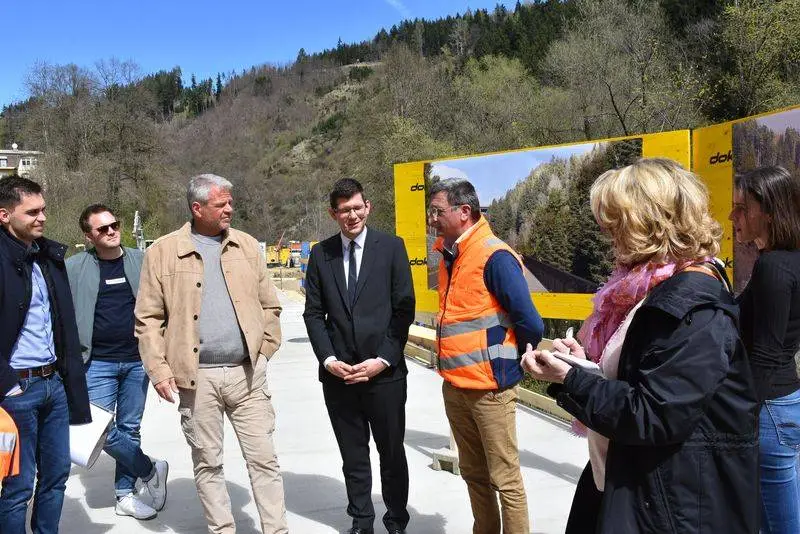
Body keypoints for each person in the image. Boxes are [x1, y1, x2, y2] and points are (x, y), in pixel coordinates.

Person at [523, 158, 759, 534]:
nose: (607, 232)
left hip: (671, 504)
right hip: (639, 484)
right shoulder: (656, 288)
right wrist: (584, 365)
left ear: (650, 222)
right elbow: (643, 379)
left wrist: (572, 379)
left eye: (616, 222)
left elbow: (655, 414)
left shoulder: (691, 305)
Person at [135, 173, 287, 534]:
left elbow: (271, 307)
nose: (230, 209)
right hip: (196, 380)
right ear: (197, 207)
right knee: (208, 463)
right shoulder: (163, 251)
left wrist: (264, 351)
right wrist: (159, 370)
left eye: (230, 202)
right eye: (222, 204)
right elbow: (148, 318)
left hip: (247, 375)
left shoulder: (247, 246)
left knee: (264, 460)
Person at [428, 178, 544, 534]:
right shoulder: (451, 253)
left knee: (504, 479)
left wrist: (506, 363)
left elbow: (531, 323)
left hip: (490, 390)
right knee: (475, 475)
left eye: (438, 211)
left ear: (464, 212)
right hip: (456, 386)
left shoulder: (494, 256)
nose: (432, 218)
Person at [303, 178, 415, 534]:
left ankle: (396, 519)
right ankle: (361, 520)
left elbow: (403, 310)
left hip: (384, 375)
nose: (351, 216)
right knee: (353, 456)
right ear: (333, 214)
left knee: (391, 454)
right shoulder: (322, 254)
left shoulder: (392, 248)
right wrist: (328, 360)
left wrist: (382, 359)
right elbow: (313, 313)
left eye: (356, 208)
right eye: (343, 210)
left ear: (368, 207)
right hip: (340, 378)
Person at [0, 175, 92, 533]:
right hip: (16, 392)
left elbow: (63, 326)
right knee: (17, 488)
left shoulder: (48, 257)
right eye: (32, 211)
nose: (42, 217)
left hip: (53, 385)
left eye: (44, 210)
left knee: (56, 478)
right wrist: (9, 387)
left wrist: (68, 379)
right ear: (4, 215)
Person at [66, 204, 168, 520]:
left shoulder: (143, 261)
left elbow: (164, 305)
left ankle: (125, 494)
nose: (111, 231)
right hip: (95, 362)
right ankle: (149, 468)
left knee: (129, 427)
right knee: (96, 429)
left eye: (114, 225)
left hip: (138, 360)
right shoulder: (73, 268)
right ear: (88, 236)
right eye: (102, 229)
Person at [729, 165, 800, 534]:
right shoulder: (783, 262)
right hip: (781, 404)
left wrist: (741, 416)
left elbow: (768, 353)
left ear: (769, 212)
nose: (732, 216)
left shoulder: (773, 266)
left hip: (770, 409)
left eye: (743, 208)